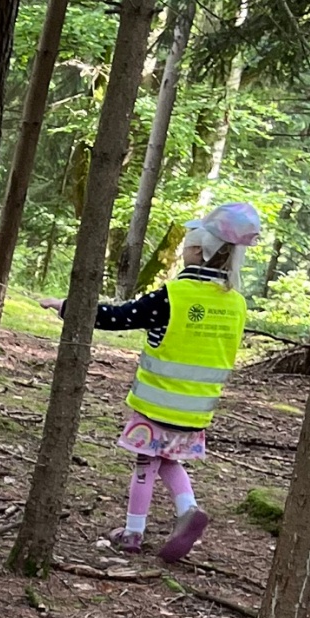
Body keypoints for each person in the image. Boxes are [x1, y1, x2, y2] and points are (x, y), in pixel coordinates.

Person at [91, 200, 261, 562]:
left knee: (145, 464)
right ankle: (188, 510)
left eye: (186, 244)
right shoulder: (237, 304)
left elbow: (118, 318)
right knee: (169, 460)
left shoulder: (173, 296)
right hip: (196, 411)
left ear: (199, 249)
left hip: (156, 405)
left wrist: (66, 306)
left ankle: (133, 533)